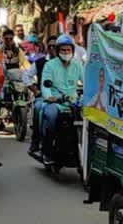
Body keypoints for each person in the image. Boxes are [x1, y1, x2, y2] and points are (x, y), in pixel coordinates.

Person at [40, 34, 83, 164]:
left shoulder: (77, 65)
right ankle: (47, 152)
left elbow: (86, 81)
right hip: (56, 102)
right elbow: (45, 84)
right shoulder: (50, 65)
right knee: (51, 117)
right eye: (63, 50)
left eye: (68, 50)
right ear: (58, 51)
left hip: (73, 103)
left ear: (72, 51)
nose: (66, 52)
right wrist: (49, 97)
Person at [24, 36, 57, 155]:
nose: (53, 48)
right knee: (38, 108)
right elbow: (26, 76)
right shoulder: (40, 62)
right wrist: (35, 90)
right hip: (44, 96)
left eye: (55, 46)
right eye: (50, 46)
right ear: (46, 48)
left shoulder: (68, 63)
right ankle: (35, 140)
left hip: (62, 98)